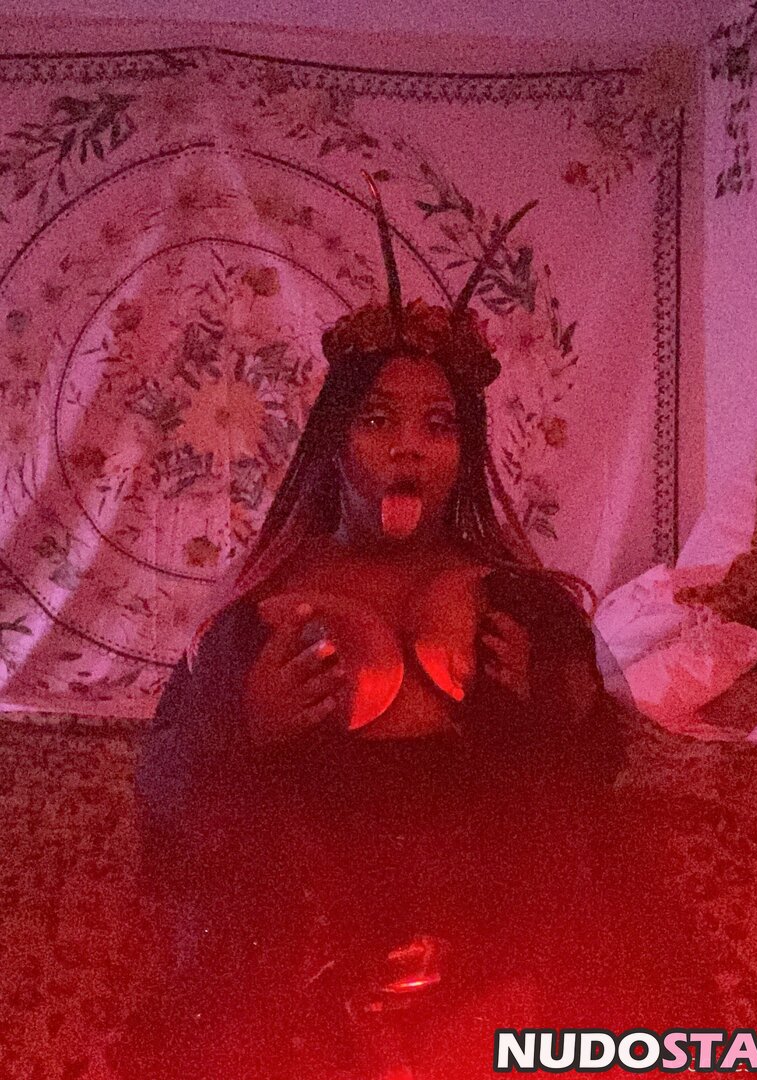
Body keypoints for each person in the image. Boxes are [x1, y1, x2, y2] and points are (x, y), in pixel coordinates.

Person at [111, 182, 719, 1080]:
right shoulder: (254, 618)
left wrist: (543, 712)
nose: (408, 447)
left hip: (492, 971)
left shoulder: (524, 607)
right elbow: (168, 794)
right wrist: (245, 729)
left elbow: (591, 788)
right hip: (308, 979)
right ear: (334, 444)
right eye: (378, 420)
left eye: (438, 426)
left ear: (463, 454)